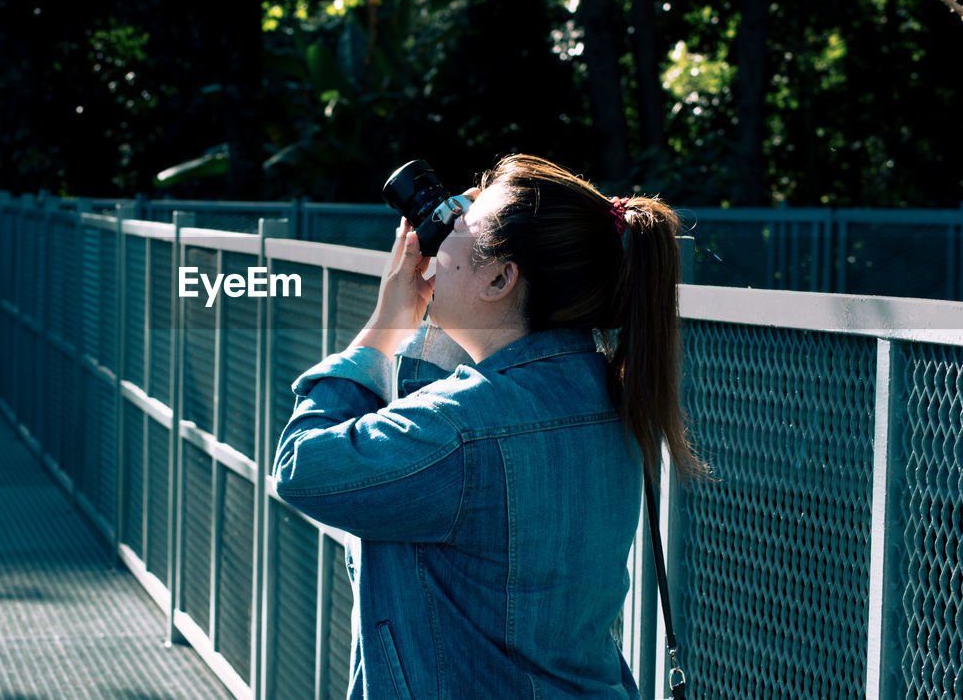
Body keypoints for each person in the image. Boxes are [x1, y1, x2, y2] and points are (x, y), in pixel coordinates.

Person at [273, 154, 708, 699]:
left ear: (502, 278)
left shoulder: (464, 430)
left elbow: (302, 466)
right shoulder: (608, 395)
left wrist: (384, 326)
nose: (445, 228)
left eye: (462, 222)